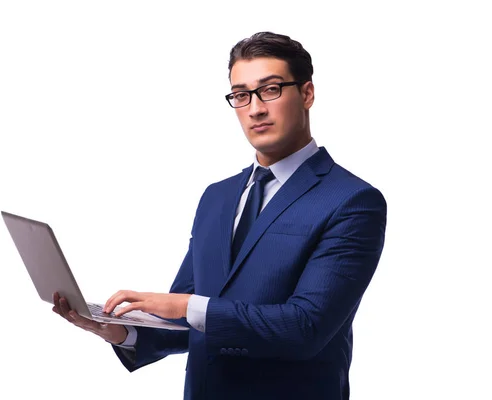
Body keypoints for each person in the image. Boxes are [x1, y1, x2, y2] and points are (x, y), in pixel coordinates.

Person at [52, 31, 387, 399]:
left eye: (270, 89)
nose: (255, 108)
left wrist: (184, 305)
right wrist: (119, 330)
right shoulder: (217, 197)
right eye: (241, 95)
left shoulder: (352, 201)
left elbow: (305, 328)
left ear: (306, 93)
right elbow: (188, 316)